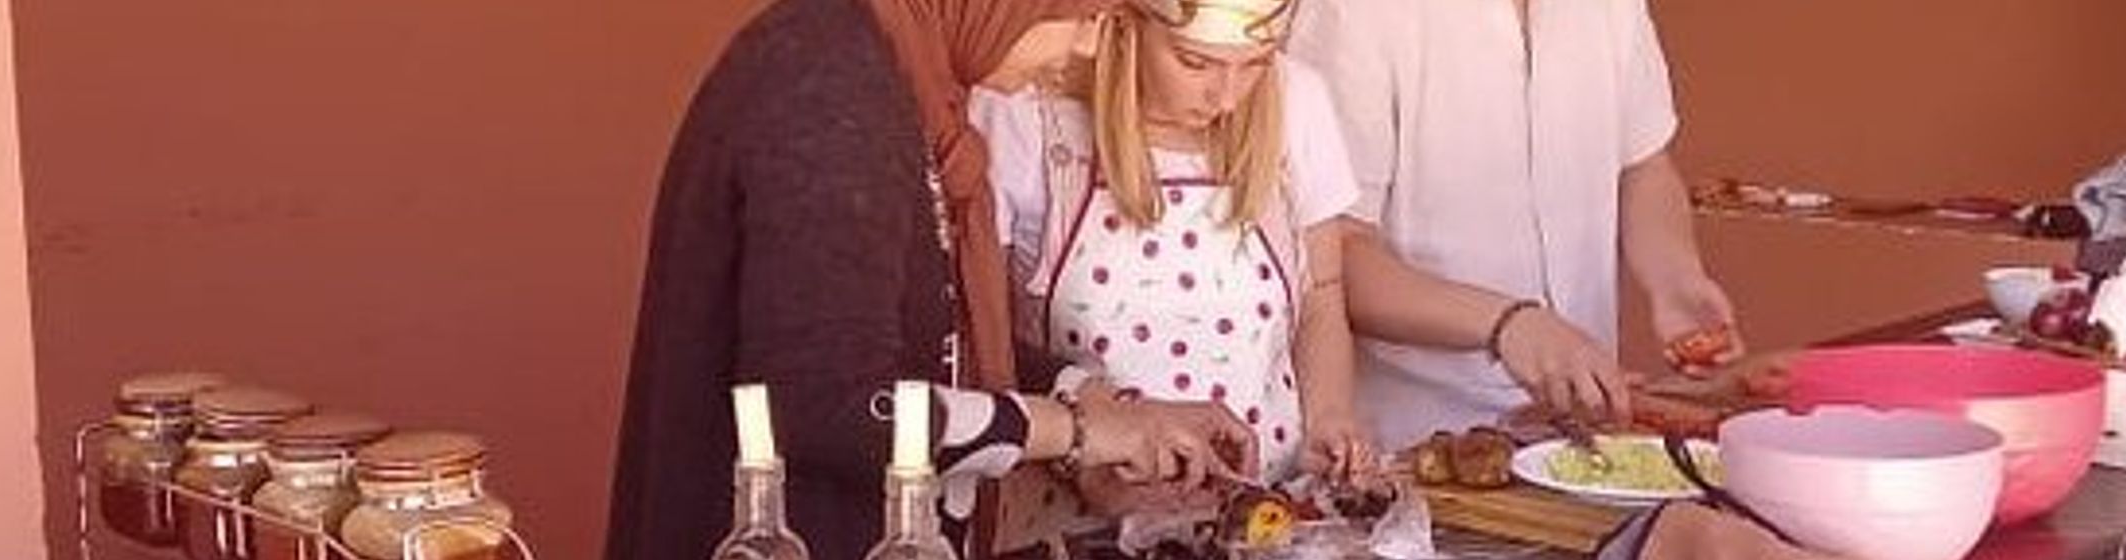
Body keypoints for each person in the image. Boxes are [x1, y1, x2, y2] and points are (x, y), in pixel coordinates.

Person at [605, 1, 1259, 558]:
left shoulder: (899, 78)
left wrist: (1107, 407)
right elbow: (830, 402)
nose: (1088, 47)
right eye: (1081, 14)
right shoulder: (830, 85)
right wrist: (1073, 431)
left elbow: (930, 336)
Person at [960, 0, 1376, 548]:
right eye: (1194, 62)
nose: (1227, 98)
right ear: (1124, 24)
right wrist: (1082, 448)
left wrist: (1328, 416)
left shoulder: (1296, 100)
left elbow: (1321, 291)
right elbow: (980, 335)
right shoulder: (1022, 110)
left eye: (1255, 63)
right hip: (1073, 529)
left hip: (1265, 517)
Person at [1287, 0, 1745, 447]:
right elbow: (1333, 254)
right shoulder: (1355, 11)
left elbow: (1643, 165)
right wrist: (1507, 324)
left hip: (1587, 425)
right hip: (1419, 441)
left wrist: (1674, 279)